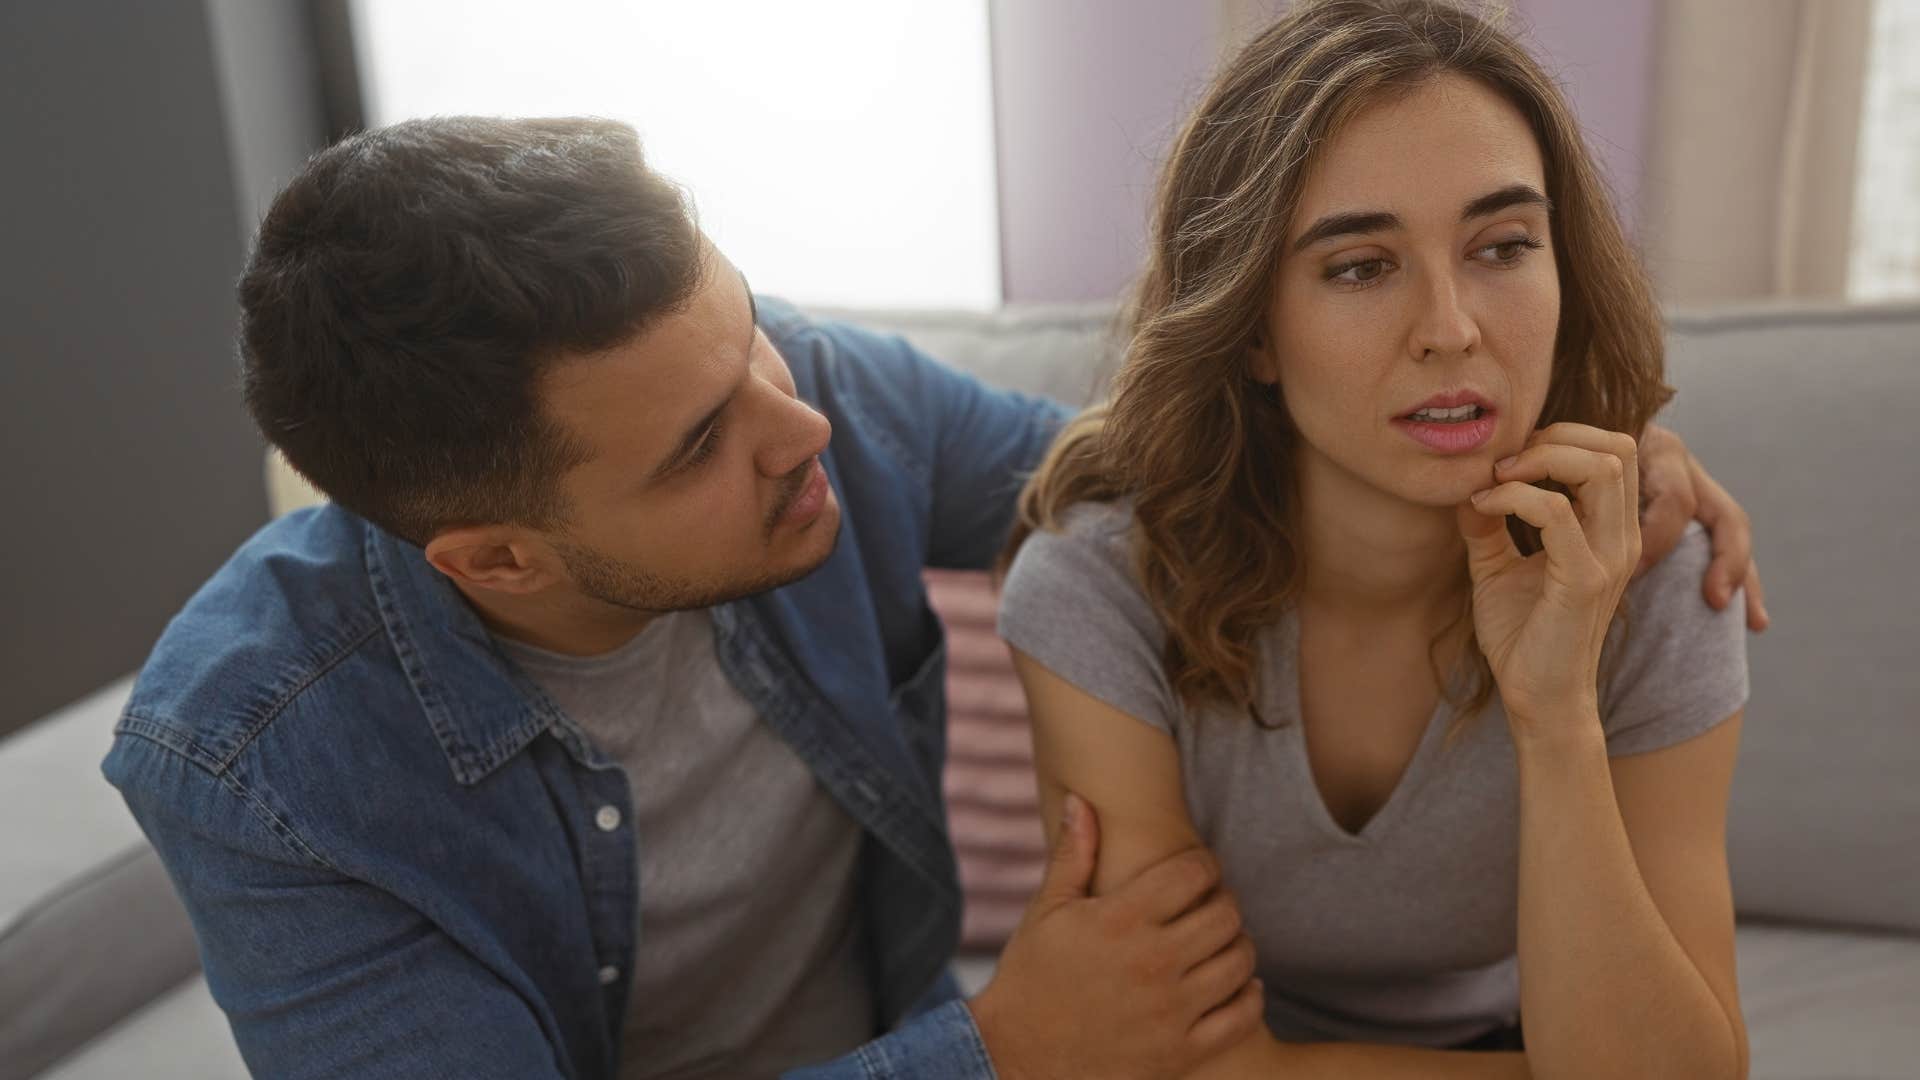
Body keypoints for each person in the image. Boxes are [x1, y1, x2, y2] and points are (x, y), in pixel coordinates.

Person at [102, 113, 1758, 1080]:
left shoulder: (827, 406)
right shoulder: (257, 765)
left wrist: (1568, 459)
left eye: (747, 326)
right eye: (698, 443)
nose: (800, 423)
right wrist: (1000, 1051)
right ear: (495, 558)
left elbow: (1176, 478)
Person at [999, 2, 1756, 1078]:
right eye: (1360, 265)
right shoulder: (1097, 590)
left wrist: (1555, 714)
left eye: (1502, 246)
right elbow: (1181, 1058)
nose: (1451, 327)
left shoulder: (1651, 567)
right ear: (1254, 328)